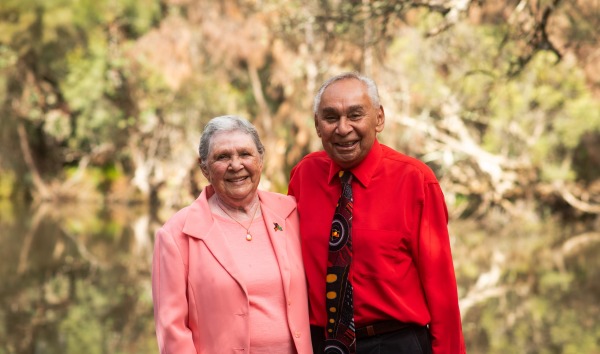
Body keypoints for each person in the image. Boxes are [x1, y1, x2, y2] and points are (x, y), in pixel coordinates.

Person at [288, 73, 465, 354]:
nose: (343, 128)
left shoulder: (415, 181)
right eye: (331, 118)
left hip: (394, 342)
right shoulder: (304, 176)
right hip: (322, 344)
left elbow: (442, 293)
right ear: (317, 126)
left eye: (355, 115)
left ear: (379, 118)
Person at [152, 115, 312, 354]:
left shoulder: (290, 214)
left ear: (260, 160)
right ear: (204, 167)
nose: (236, 165)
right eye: (222, 157)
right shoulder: (176, 235)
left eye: (245, 154)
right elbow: (172, 331)